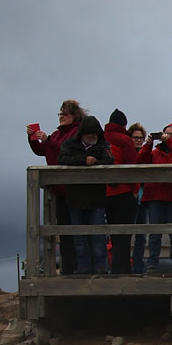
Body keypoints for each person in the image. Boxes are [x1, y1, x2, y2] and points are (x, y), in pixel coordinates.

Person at [27, 99, 84, 274]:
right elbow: (42, 150)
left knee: (76, 230)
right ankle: (68, 269)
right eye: (60, 114)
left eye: (64, 114)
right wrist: (33, 138)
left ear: (73, 116)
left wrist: (48, 139)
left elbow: (67, 150)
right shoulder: (57, 133)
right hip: (58, 189)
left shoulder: (77, 133)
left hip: (73, 189)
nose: (61, 117)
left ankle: (78, 268)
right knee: (63, 232)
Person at [57, 116, 114, 274]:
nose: (93, 137)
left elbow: (110, 161)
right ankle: (83, 270)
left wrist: (95, 163)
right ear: (82, 134)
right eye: (90, 134)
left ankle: (100, 270)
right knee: (79, 238)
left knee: (98, 237)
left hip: (96, 198)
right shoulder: (69, 144)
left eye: (96, 134)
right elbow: (62, 159)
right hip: (75, 198)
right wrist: (83, 160)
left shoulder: (103, 145)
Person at [139, 122, 172, 274]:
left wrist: (169, 142)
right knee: (155, 233)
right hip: (155, 196)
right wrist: (148, 145)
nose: (167, 136)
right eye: (165, 134)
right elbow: (140, 162)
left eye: (171, 134)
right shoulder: (155, 152)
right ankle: (152, 265)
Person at [103, 109, 139, 275]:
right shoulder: (125, 139)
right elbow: (133, 166)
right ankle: (123, 268)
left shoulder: (102, 138)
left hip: (106, 192)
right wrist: (135, 189)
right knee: (125, 232)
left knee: (113, 232)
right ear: (124, 124)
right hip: (124, 191)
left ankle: (114, 267)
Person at [127, 123, 150, 273]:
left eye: (141, 138)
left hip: (143, 199)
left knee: (141, 235)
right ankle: (125, 263)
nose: (138, 140)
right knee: (126, 233)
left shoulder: (146, 153)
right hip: (128, 198)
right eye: (135, 137)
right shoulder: (126, 153)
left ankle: (138, 265)